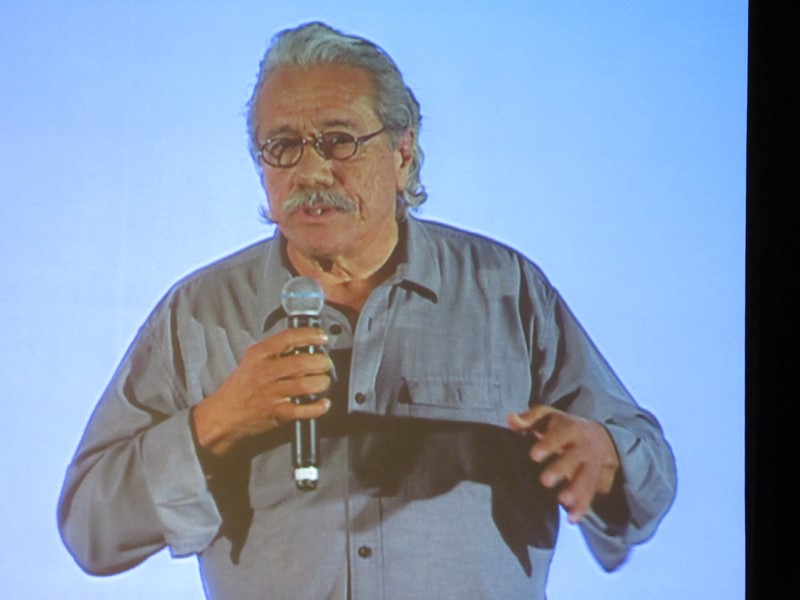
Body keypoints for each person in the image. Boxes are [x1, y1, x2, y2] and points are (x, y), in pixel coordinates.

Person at [58, 21, 676, 600]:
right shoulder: (198, 314)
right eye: (283, 146)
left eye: (339, 141)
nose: (311, 171)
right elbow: (89, 527)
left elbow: (652, 471)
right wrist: (219, 421)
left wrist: (606, 455)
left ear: (402, 154)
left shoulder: (505, 291)